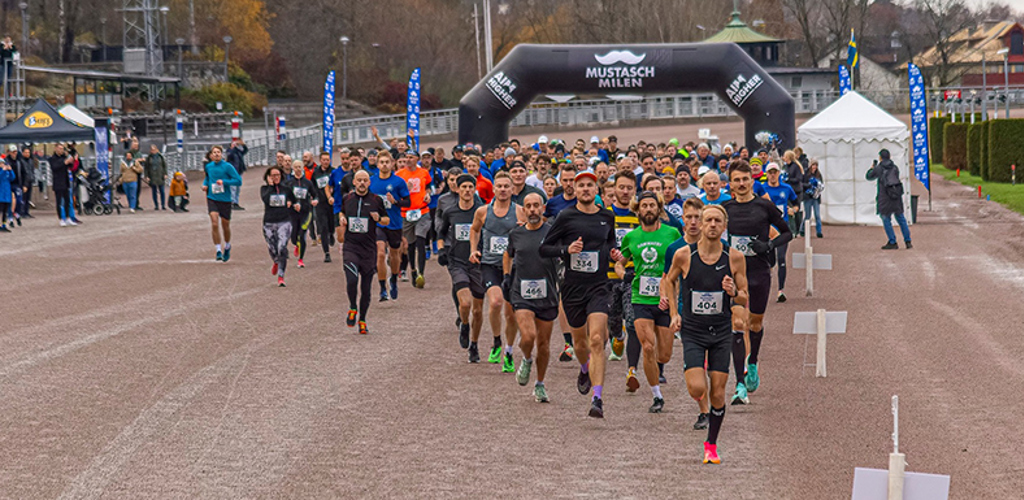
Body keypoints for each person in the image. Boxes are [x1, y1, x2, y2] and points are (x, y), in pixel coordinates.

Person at [662, 204, 748, 465]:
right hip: (693, 331)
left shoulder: (734, 257)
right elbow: (669, 281)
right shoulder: (684, 255)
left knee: (719, 394)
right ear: (699, 223)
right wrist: (674, 314)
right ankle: (698, 380)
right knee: (697, 387)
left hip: (721, 331)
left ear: (724, 226)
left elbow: (744, 297)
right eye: (707, 220)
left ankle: (711, 444)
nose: (712, 225)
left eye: (717, 221)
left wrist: (734, 292)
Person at [539, 169, 622, 418]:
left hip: (598, 286)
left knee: (597, 339)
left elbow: (609, 244)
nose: (586, 189)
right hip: (573, 287)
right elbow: (545, 249)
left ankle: (597, 398)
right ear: (575, 190)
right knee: (580, 343)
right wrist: (567, 249)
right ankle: (584, 367)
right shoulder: (565, 216)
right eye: (581, 185)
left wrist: (614, 254)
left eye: (590, 185)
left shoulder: (607, 216)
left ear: (596, 190)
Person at [722, 160, 791, 405]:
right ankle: (740, 383)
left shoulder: (764, 207)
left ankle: (752, 362)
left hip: (759, 271)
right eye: (736, 180)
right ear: (729, 183)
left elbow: (787, 232)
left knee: (755, 323)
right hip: (733, 273)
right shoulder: (724, 208)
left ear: (752, 181)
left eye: (745, 179)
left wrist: (768, 245)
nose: (741, 184)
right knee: (738, 323)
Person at [617, 190, 680, 413]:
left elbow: (682, 260)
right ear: (638, 210)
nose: (648, 209)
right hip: (640, 297)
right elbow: (620, 261)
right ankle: (656, 395)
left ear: (659, 208)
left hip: (665, 300)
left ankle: (656, 369)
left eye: (652, 205)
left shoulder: (672, 234)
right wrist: (622, 273)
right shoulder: (631, 237)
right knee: (648, 346)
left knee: (664, 354)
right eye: (644, 206)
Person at [506, 192, 559, 402]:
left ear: (543, 208)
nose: (532, 210)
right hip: (522, 292)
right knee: (528, 336)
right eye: (528, 206)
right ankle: (526, 359)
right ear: (524, 210)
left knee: (544, 344)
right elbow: (507, 254)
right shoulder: (516, 234)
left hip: (548, 293)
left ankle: (540, 384)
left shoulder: (553, 232)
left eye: (536, 206)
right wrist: (506, 276)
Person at [469, 171, 523, 372]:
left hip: (513, 267)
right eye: (499, 186)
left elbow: (530, 231)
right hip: (490, 264)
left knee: (510, 313)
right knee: (495, 302)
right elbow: (474, 230)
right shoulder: (483, 211)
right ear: (493, 189)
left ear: (512, 189)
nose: (502, 189)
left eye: (506, 186)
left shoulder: (520, 211)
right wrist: (474, 249)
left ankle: (508, 351)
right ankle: (496, 341)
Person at [438, 174, 486, 362]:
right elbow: (441, 233)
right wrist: (441, 250)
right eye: (463, 187)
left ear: (474, 189)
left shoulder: (482, 211)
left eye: (470, 186)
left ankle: (474, 345)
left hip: (478, 263)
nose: (467, 190)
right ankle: (464, 324)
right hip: (457, 261)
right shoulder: (450, 212)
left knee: (478, 310)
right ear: (457, 190)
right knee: (465, 304)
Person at [338, 170, 389, 335]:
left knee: (366, 288)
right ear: (354, 182)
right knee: (352, 279)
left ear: (369, 183)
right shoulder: (348, 199)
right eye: (359, 180)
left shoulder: (376, 200)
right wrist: (341, 218)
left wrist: (379, 219)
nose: (361, 183)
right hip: (351, 246)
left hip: (368, 249)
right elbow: (342, 212)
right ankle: (353, 307)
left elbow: (386, 219)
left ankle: (363, 319)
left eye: (365, 180)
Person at [604, 171, 639, 387]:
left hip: (633, 275)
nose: (625, 192)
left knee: (632, 318)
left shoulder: (639, 215)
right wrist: (610, 251)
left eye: (629, 188)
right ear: (614, 189)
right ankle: (617, 336)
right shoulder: (605, 214)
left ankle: (631, 369)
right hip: (608, 275)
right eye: (622, 187)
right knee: (612, 317)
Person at [369, 152, 410, 301]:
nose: (385, 164)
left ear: (392, 164)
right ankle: (382, 288)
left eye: (387, 162)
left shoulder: (398, 182)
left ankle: (393, 278)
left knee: (394, 254)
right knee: (380, 253)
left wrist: (395, 202)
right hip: (378, 223)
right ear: (378, 164)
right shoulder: (372, 181)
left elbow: (408, 202)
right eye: (382, 162)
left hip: (394, 223)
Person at [761, 163, 798, 303]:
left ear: (778, 173)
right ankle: (765, 288)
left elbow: (796, 202)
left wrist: (793, 209)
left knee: (781, 257)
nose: (772, 175)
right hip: (766, 229)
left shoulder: (786, 188)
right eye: (770, 172)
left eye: (775, 172)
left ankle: (780, 291)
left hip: (782, 228)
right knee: (770, 261)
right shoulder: (762, 188)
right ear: (767, 173)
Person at [396, 150, 434, 288]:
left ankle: (421, 273)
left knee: (420, 239)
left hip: (422, 211)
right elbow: (395, 193)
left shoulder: (423, 172)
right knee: (409, 245)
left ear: (417, 159)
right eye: (406, 157)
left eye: (411, 157)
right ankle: (413, 270)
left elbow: (429, 186)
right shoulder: (399, 175)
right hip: (406, 213)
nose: (408, 159)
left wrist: (428, 195)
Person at [202, 145, 243, 262]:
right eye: (214, 152)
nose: (216, 154)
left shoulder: (227, 167)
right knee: (214, 223)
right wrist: (205, 185)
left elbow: (238, 181)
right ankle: (218, 250)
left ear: (221, 154)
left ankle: (227, 245)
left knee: (225, 225)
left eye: (218, 152)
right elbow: (207, 178)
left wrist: (224, 182)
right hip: (212, 198)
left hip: (225, 200)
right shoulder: (209, 166)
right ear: (211, 155)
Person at [260, 166, 297, 287]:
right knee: (272, 248)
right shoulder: (264, 189)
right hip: (269, 222)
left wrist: (293, 203)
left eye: (278, 175)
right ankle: (276, 261)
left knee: (282, 247)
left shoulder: (286, 189)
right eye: (273, 175)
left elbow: (294, 199)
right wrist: (271, 186)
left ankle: (281, 276)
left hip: (284, 221)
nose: (276, 178)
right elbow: (265, 200)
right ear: (268, 177)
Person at [866, 149, 911, 250]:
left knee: (886, 219)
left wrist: (872, 168)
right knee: (901, 218)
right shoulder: (895, 168)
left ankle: (892, 241)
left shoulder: (879, 168)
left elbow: (869, 177)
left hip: (885, 197)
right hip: (895, 196)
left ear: (880, 158)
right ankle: (908, 241)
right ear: (890, 157)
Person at [285, 159, 317, 268]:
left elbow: (315, 194)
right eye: (296, 167)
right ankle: (296, 244)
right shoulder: (289, 183)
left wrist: (315, 200)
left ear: (303, 167)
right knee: (294, 236)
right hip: (293, 213)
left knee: (302, 233)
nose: (298, 169)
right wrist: (289, 202)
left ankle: (301, 259)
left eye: (300, 167)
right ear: (293, 169)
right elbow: (286, 196)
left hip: (305, 211)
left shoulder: (307, 183)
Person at [311, 152, 336, 263]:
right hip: (321, 204)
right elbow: (313, 187)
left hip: (332, 203)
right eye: (323, 160)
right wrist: (314, 198)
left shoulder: (333, 172)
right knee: (323, 227)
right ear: (320, 161)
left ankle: (332, 233)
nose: (326, 162)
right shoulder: (316, 173)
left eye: (327, 160)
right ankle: (326, 253)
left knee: (331, 224)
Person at [50, 144, 77, 226]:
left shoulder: (64, 157)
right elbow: (55, 167)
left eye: (62, 149)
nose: (61, 150)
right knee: (59, 201)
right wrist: (64, 162)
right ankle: (61, 218)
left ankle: (68, 217)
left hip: (66, 181)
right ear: (55, 149)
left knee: (67, 201)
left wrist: (71, 161)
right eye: (59, 148)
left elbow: (70, 166)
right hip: (58, 182)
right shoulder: (52, 159)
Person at [782, 150, 804, 235]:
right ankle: (792, 230)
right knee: (789, 210)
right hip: (788, 191)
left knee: (796, 210)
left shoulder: (795, 167)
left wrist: (789, 179)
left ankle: (798, 228)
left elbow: (799, 179)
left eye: (786, 157)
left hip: (796, 191)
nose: (784, 158)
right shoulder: (785, 167)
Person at [803, 160, 823, 238]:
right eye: (813, 165)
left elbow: (821, 184)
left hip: (816, 197)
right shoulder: (806, 174)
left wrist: (818, 187)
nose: (814, 167)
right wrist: (809, 185)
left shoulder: (819, 175)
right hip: (807, 197)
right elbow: (802, 184)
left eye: (816, 165)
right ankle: (803, 229)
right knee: (807, 215)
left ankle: (819, 231)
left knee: (817, 215)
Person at [226, 138, 248, 210]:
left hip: (239, 171)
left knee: (238, 188)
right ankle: (231, 202)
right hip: (232, 172)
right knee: (233, 188)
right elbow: (230, 155)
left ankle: (236, 202)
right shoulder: (229, 151)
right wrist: (233, 148)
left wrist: (243, 144)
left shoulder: (238, 151)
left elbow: (245, 151)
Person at [144, 144, 168, 211]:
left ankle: (163, 205)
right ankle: (156, 205)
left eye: (154, 149)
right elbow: (146, 168)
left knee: (162, 191)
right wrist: (147, 176)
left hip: (160, 175)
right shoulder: (149, 158)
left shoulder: (160, 157)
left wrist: (165, 174)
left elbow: (164, 166)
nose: (153, 151)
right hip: (152, 176)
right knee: (154, 191)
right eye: (152, 150)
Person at [0, 160, 13, 232]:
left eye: (3, 163)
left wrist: (10, 170)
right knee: (0, 211)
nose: (2, 165)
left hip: (7, 195)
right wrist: (3, 170)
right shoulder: (2, 172)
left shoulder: (7, 172)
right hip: (1, 195)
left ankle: (4, 225)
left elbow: (12, 178)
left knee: (5, 211)